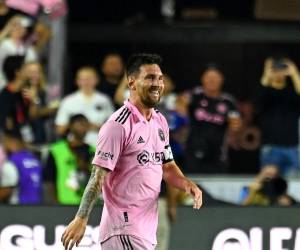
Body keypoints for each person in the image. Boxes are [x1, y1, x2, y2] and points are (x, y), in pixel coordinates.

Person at [61, 53, 202, 250]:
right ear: (132, 82)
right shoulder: (118, 125)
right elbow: (97, 176)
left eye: (160, 78)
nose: (157, 84)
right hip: (123, 228)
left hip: (145, 229)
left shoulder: (160, 122)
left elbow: (168, 167)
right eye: (150, 78)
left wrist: (186, 184)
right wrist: (81, 218)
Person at [186, 63, 242, 173]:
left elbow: (236, 125)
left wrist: (235, 126)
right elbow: (179, 107)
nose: (212, 80)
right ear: (203, 79)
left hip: (218, 154)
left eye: (215, 77)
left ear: (222, 80)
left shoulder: (228, 102)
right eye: (209, 77)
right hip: (194, 151)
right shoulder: (194, 95)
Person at [256, 56, 300, 176]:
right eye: (275, 69)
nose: (278, 72)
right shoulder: (266, 91)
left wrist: (294, 73)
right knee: (269, 186)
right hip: (270, 147)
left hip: (292, 147)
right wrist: (266, 75)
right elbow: (258, 103)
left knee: (294, 188)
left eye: (281, 68)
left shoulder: (292, 92)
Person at [55, 66, 114, 146]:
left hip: (101, 146)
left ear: (97, 80)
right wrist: (77, 126)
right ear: (77, 81)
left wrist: (95, 127)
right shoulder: (68, 101)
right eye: (83, 79)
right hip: (75, 147)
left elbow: (115, 127)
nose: (86, 82)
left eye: (89, 78)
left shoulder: (105, 100)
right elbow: (59, 129)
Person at [44, 114, 95, 204]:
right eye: (80, 124)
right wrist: (54, 203)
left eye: (86, 124)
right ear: (70, 126)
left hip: (88, 206)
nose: (83, 128)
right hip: (64, 204)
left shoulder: (93, 151)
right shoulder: (56, 150)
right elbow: (49, 180)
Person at [0, 55, 37, 143]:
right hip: (14, 146)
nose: (29, 69)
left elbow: (33, 117)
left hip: (29, 140)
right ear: (17, 72)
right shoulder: (5, 96)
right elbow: (7, 125)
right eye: (25, 66)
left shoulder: (26, 91)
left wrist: (34, 101)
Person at [1, 129, 43, 204]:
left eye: (5, 142)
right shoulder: (35, 160)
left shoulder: (12, 162)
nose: (4, 147)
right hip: (38, 207)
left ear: (12, 142)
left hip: (18, 209)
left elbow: (7, 191)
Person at [22, 61, 58, 144]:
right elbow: (32, 115)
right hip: (28, 138)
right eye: (30, 72)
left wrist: (36, 102)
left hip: (46, 134)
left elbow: (54, 109)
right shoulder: (22, 91)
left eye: (37, 72)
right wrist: (36, 103)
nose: (34, 75)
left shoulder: (48, 89)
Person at [0, 15, 38, 89]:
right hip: (2, 81)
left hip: (17, 84)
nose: (20, 29)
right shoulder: (5, 43)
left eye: (23, 28)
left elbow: (32, 63)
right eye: (17, 27)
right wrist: (8, 27)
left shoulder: (26, 48)